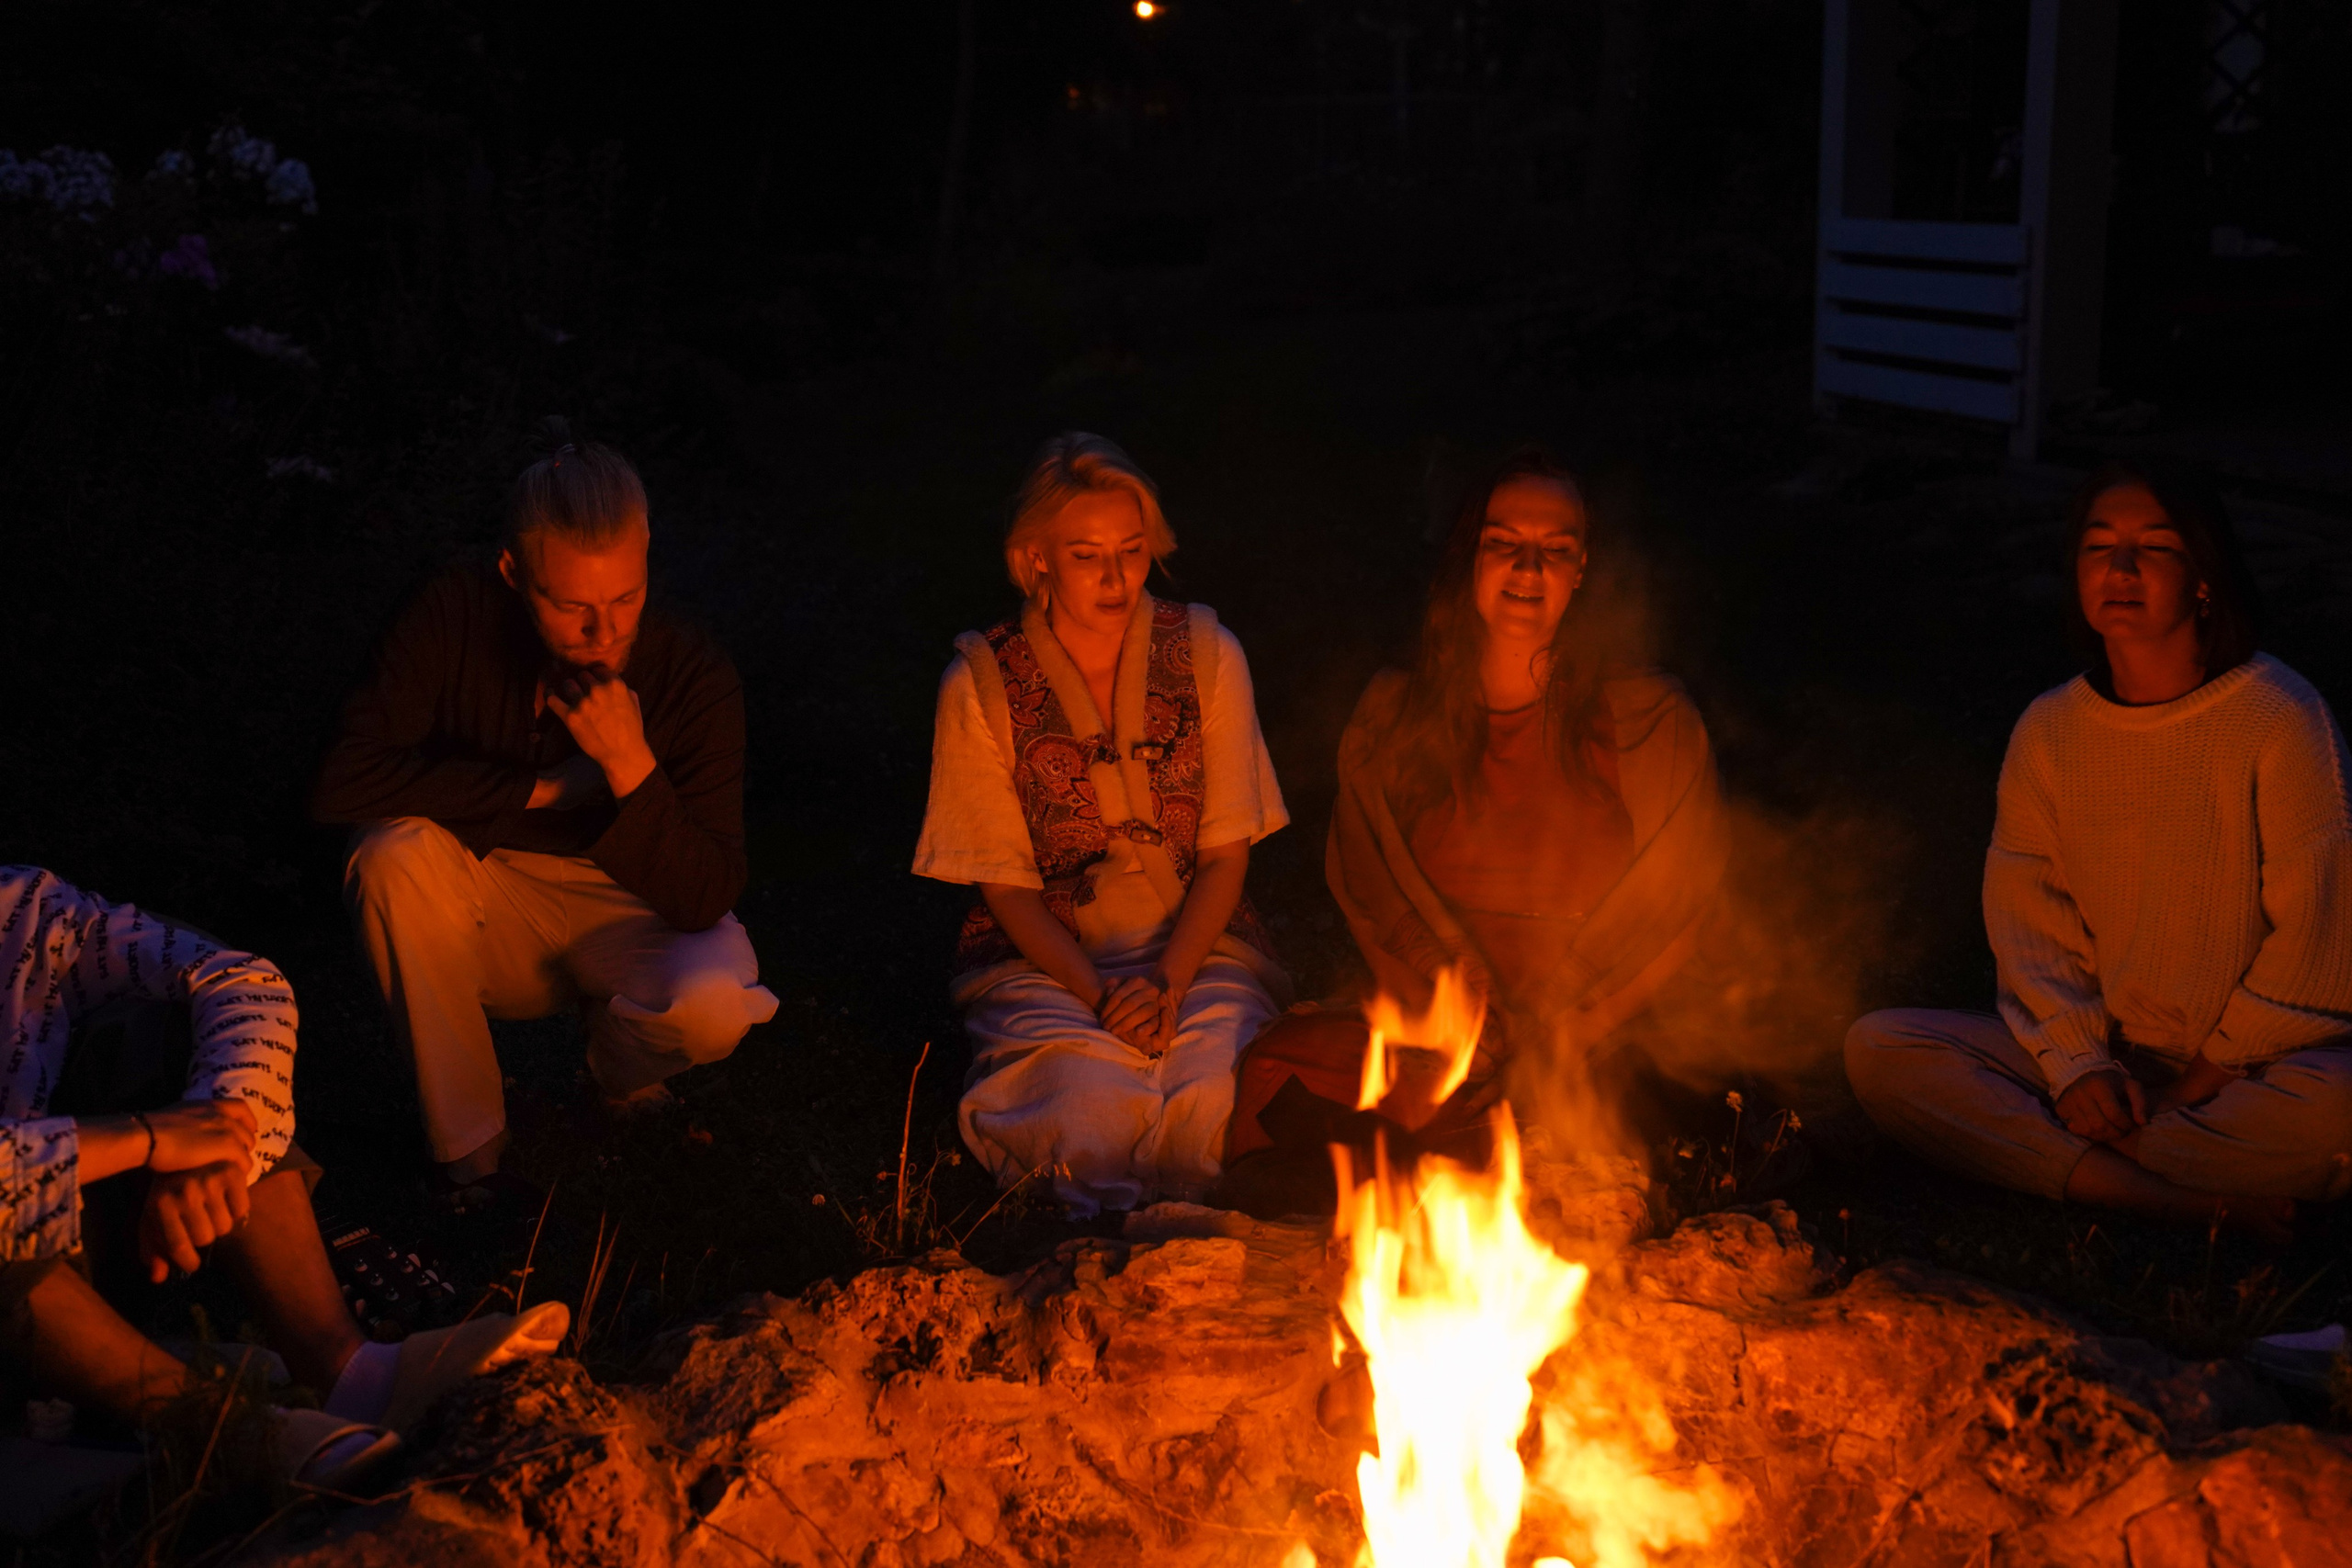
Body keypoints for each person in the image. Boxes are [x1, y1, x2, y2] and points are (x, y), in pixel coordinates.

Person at [1846, 460, 2352, 1243]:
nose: (2120, 568)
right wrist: (2080, 1065)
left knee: (2339, 1109)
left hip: (2260, 1069)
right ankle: (2168, 1195)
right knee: (1882, 1047)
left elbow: (2320, 940)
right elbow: (2029, 922)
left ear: (2205, 578)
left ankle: (2065, 1156)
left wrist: (2196, 1084)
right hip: (2111, 1060)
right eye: (2098, 547)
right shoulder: (2050, 733)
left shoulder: (2279, 717)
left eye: (2153, 546)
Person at [1222, 448, 1727, 1202]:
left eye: (1554, 550)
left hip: (1596, 1034)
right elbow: (1378, 905)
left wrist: (1573, 1024)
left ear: (1582, 568)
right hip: (1442, 1031)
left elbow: (1676, 906)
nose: (1527, 568)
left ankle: (1458, 1161)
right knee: (1280, 1068)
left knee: (1635, 1101)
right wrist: (1462, 1026)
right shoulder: (1392, 719)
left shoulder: (1650, 720)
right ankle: (1465, 1156)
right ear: (1472, 557)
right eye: (1504, 544)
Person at [313, 421, 778, 1215]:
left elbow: (706, 892)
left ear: (645, 553)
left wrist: (630, 767)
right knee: (391, 853)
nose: (604, 631)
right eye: (571, 606)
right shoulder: (451, 614)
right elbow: (341, 781)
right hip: (487, 896)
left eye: (625, 596)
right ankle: (471, 1160)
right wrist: (544, 792)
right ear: (513, 574)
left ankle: (618, 1070)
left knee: (717, 1000)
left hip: (626, 902)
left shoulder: (691, 669)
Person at [0, 865, 564, 1487]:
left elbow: (241, 980)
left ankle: (351, 1374)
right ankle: (217, 1427)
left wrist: (214, 1136)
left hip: (75, 1245)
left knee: (175, 1031)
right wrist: (150, 1135)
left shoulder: (21, 912)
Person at [912, 433, 1292, 1216]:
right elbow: (1006, 885)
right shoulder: (981, 683)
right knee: (1088, 1118)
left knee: (1213, 1110)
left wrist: (1170, 982)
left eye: (1132, 548)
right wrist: (1101, 995)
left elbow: (1225, 854)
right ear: (1036, 558)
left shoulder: (1209, 654)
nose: (1119, 576)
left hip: (1198, 945)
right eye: (1088, 555)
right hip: (1045, 960)